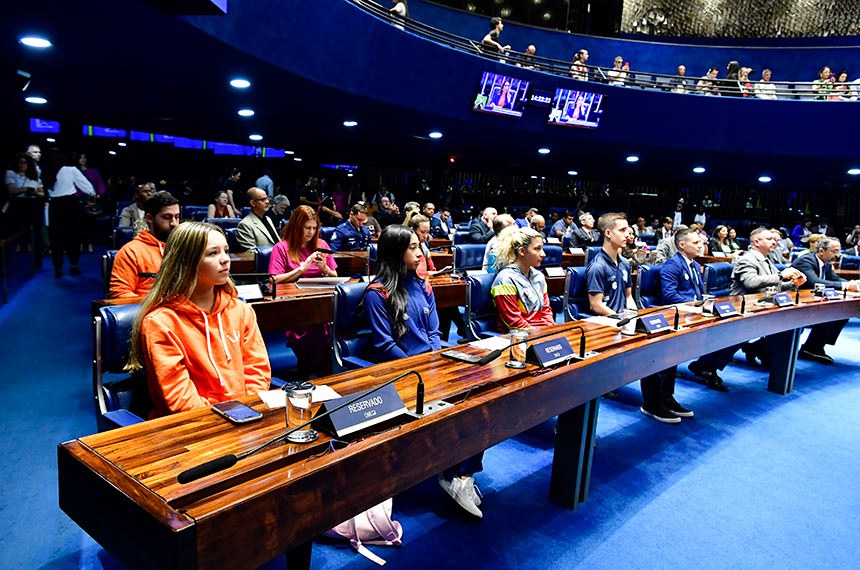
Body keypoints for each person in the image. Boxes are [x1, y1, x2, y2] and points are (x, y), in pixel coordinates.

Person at [125, 221, 270, 418]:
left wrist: (246, 410)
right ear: (186, 261)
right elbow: (179, 399)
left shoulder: (241, 310)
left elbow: (257, 370)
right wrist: (229, 418)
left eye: (226, 251)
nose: (225, 259)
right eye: (213, 253)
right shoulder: (160, 323)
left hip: (245, 417)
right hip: (191, 428)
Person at [587, 212, 690, 423]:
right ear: (608, 233)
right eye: (622, 230)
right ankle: (653, 403)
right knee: (651, 351)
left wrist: (633, 316)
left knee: (665, 343)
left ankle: (665, 398)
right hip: (606, 325)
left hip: (624, 322)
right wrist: (623, 319)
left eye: (628, 230)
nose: (629, 234)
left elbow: (629, 297)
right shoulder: (598, 266)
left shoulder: (624, 263)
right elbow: (596, 305)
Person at [660, 229, 734, 391]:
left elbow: (699, 293)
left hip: (697, 311)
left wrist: (704, 303)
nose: (701, 246)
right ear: (681, 245)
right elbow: (669, 295)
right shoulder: (673, 265)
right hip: (680, 314)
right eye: (696, 243)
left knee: (732, 330)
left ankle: (706, 366)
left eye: (701, 242)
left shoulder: (694, 264)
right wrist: (695, 305)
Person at [269, 205, 337, 377]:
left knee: (333, 324)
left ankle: (323, 373)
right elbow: (274, 280)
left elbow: (334, 275)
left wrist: (324, 268)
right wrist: (301, 269)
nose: (311, 232)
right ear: (297, 227)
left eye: (315, 228)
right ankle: (312, 372)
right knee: (316, 330)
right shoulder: (282, 247)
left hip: (321, 301)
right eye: (307, 228)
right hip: (296, 307)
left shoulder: (321, 244)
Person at [790, 237, 858, 364]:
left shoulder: (825, 263)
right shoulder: (806, 260)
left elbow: (835, 278)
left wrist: (852, 284)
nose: (837, 255)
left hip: (812, 301)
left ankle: (813, 347)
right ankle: (756, 348)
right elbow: (815, 282)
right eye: (834, 251)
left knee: (840, 312)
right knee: (833, 312)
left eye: (838, 251)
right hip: (794, 302)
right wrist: (847, 286)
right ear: (821, 251)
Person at [110, 191, 181, 298]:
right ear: (150, 218)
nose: (174, 223)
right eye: (167, 217)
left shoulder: (184, 248)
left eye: (177, 217)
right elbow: (121, 294)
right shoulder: (131, 252)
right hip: (148, 311)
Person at [490, 225, 554, 331]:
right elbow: (514, 323)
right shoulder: (505, 279)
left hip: (541, 334)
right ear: (522, 251)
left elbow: (546, 311)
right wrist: (540, 334)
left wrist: (550, 330)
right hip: (517, 337)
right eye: (537, 249)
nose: (543, 254)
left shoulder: (539, 276)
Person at [46, 154, 95, 277]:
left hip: (54, 205)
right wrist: (92, 194)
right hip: (70, 204)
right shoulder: (70, 169)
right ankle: (74, 265)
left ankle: (58, 268)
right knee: (73, 236)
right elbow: (85, 185)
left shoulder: (47, 171)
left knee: (55, 238)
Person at [236, 187, 280, 252]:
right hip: (265, 261)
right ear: (253, 203)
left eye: (267, 198)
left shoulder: (268, 219)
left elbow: (277, 243)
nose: (267, 202)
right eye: (263, 200)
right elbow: (251, 252)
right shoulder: (245, 224)